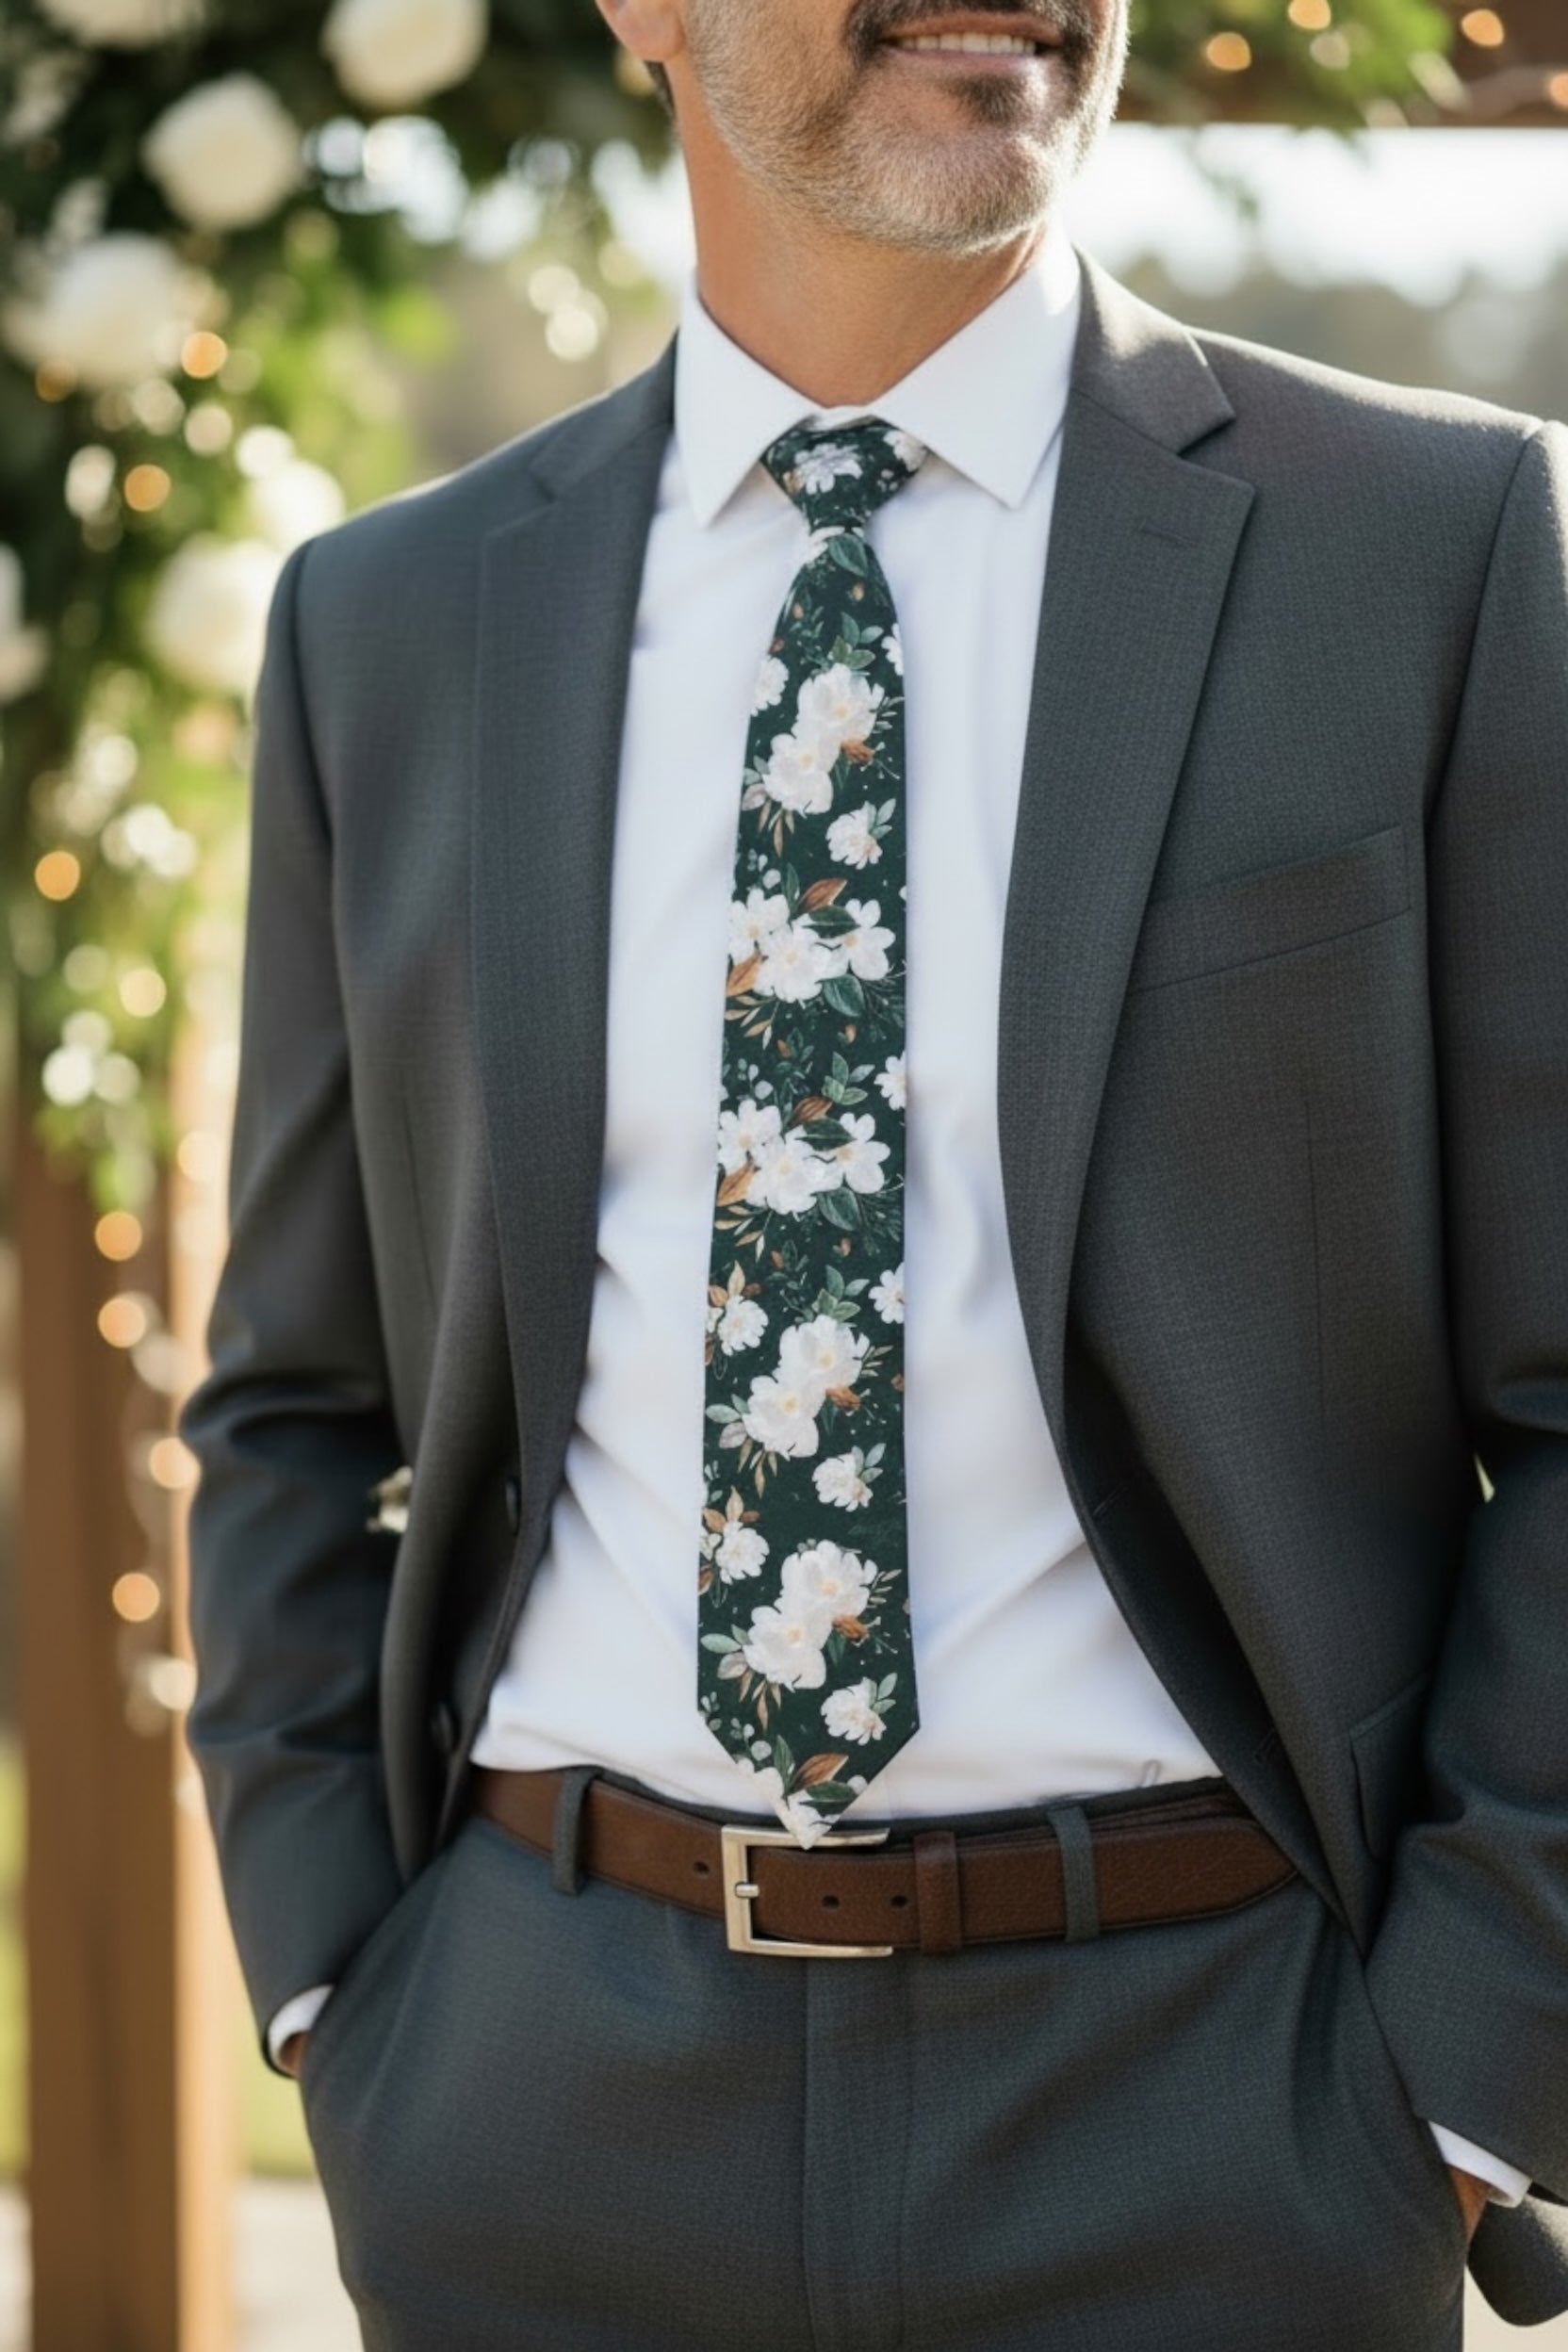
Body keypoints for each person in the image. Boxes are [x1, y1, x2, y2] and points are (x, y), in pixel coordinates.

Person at [177, 0, 1568, 2343]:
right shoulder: (387, 626)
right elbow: (296, 1402)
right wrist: (341, 1997)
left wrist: (1446, 2088)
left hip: (1217, 2121)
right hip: (535, 2114)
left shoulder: (1432, 550)